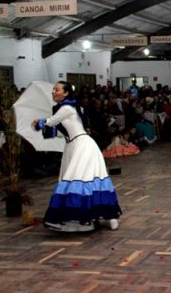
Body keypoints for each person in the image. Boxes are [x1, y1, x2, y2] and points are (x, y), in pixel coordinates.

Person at [33, 81, 121, 232]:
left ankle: (104, 216)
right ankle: (89, 217)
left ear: (66, 93)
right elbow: (61, 131)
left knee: (82, 180)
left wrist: (39, 123)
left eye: (57, 89)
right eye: (53, 89)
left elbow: (51, 122)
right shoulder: (65, 108)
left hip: (83, 146)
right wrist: (45, 126)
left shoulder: (67, 108)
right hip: (73, 147)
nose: (53, 92)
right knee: (82, 181)